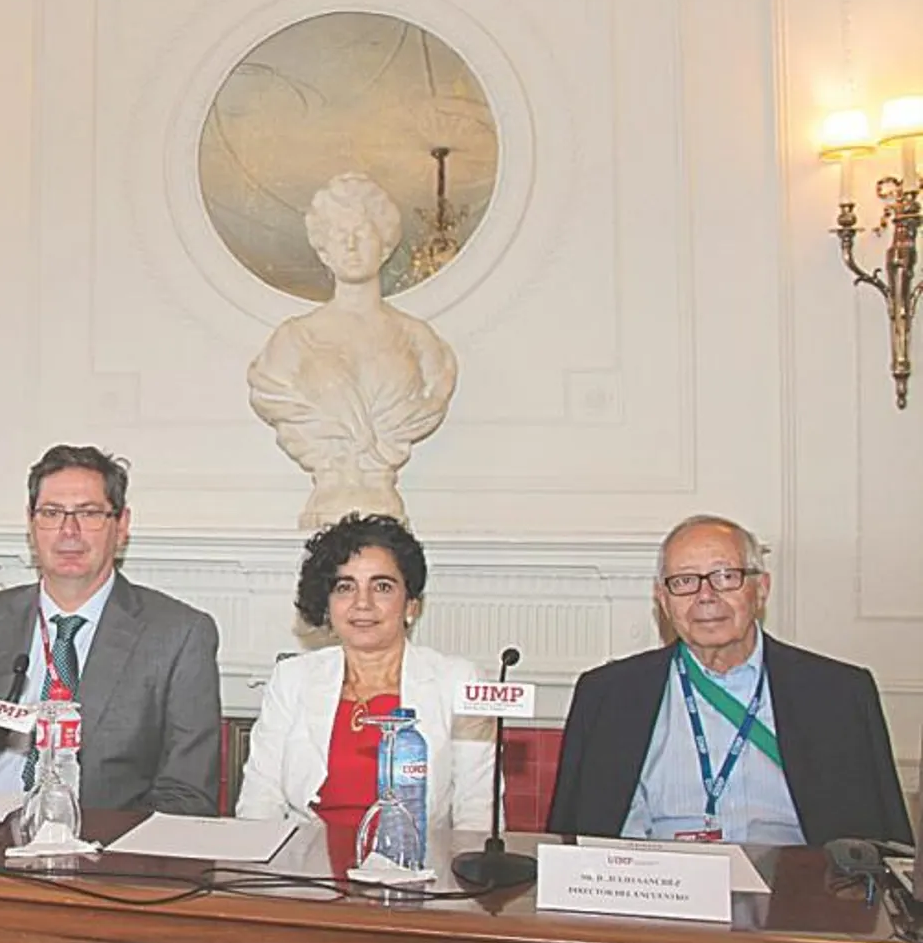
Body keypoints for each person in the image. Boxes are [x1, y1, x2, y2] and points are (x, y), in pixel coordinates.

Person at [0, 444, 223, 815]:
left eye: (89, 513)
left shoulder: (179, 635)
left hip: (100, 854)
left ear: (122, 526)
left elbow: (187, 795)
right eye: (51, 513)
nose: (69, 531)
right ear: (32, 524)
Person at [547, 515, 912, 846]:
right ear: (663, 598)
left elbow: (884, 848)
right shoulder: (608, 695)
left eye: (725, 577)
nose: (706, 597)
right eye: (685, 581)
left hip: (795, 897)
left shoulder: (837, 695)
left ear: (761, 588)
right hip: (658, 892)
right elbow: (572, 841)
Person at [236, 513, 494, 859]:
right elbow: (259, 801)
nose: (363, 603)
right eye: (345, 587)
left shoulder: (457, 681)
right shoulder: (292, 679)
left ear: (411, 605)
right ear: (327, 604)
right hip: (305, 875)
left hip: (419, 876)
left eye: (382, 586)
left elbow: (477, 813)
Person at [247, 173, 458, 528]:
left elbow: (433, 395)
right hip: (328, 498)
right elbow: (274, 397)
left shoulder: (419, 340)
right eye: (338, 235)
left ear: (386, 245)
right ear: (323, 251)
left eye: (362, 233)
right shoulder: (293, 340)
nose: (350, 244)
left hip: (385, 500)